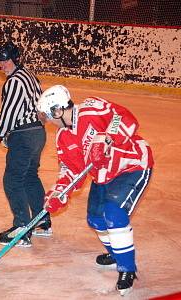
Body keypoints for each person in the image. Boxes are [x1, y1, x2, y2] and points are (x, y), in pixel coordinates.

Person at [37, 85, 153, 296]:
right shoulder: (63, 137)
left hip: (132, 165)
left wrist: (108, 139)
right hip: (105, 175)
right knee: (96, 220)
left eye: (48, 115)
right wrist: (58, 193)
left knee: (114, 213)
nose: (48, 121)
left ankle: (127, 268)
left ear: (58, 110)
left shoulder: (91, 108)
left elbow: (123, 116)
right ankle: (118, 253)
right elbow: (71, 170)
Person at [0, 41, 52, 248]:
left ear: (15, 59)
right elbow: (30, 104)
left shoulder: (13, 82)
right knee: (29, 176)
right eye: (0, 61)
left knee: (12, 179)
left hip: (23, 136)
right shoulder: (29, 75)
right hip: (38, 134)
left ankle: (22, 228)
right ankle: (42, 220)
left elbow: (10, 113)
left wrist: (1, 133)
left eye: (6, 60)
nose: (3, 64)